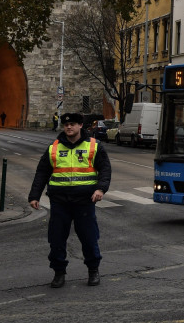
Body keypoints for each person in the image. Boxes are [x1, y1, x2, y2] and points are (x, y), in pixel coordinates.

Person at [28, 112, 111, 288]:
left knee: (89, 238)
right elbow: (42, 172)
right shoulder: (54, 147)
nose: (69, 127)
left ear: (81, 126)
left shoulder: (94, 146)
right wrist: (34, 196)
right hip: (60, 201)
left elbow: (105, 169)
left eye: (73, 124)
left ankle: (93, 270)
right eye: (66, 125)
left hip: (84, 201)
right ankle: (59, 273)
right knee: (56, 239)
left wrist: (100, 189)